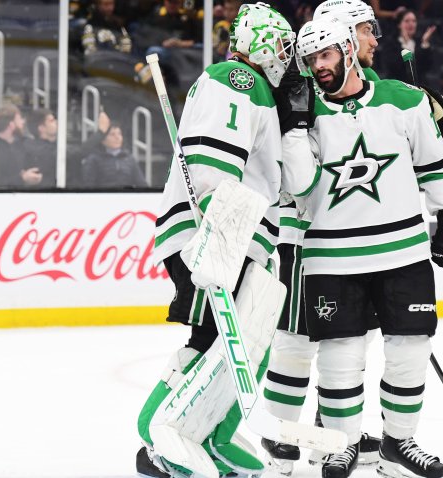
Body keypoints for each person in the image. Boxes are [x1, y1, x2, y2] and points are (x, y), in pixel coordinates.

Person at [290, 17, 443, 478]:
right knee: (340, 355)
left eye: (325, 55)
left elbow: (435, 166)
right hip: (330, 256)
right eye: (310, 60)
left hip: (402, 252)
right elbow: (296, 186)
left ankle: (398, 443)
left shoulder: (403, 100)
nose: (317, 67)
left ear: (349, 50)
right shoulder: (302, 114)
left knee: (410, 347)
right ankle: (342, 445)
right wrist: (293, 128)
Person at [134, 4, 305, 478]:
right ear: (265, 45)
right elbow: (214, 164)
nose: (288, 59)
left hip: (236, 235)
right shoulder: (238, 80)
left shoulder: (256, 92)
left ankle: (213, 435)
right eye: (284, 48)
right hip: (211, 234)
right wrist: (220, 232)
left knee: (240, 345)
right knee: (213, 340)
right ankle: (161, 434)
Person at [260, 1, 386, 474]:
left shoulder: (362, 88)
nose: (374, 39)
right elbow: (299, 175)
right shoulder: (302, 89)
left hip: (353, 240)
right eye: (366, 29)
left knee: (350, 343)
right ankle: (278, 437)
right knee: (295, 341)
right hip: (305, 238)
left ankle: (331, 431)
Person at [80, 123, 148, 188]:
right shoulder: (93, 159)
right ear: (102, 139)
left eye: (119, 134)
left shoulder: (129, 158)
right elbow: (88, 186)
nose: (117, 137)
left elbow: (141, 184)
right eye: (112, 134)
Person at [380, 9, 434, 83]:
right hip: (398, 85)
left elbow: (426, 67)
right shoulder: (391, 43)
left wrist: (425, 43)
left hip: (419, 86)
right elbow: (393, 67)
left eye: (414, 21)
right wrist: (407, 46)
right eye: (407, 21)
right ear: (399, 24)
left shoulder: (420, 42)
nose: (411, 24)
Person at [0, 103, 34, 189]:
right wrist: (22, 178)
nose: (23, 121)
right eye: (20, 118)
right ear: (11, 125)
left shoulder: (22, 145)